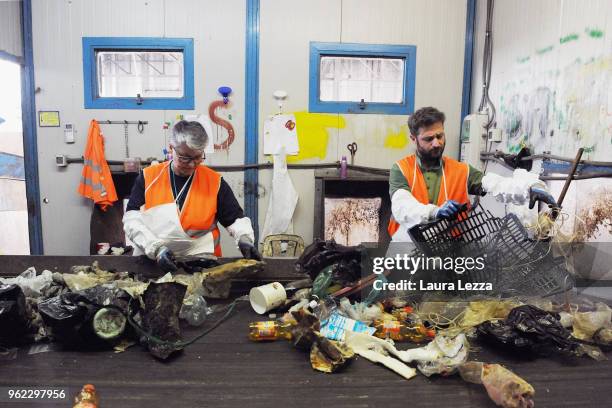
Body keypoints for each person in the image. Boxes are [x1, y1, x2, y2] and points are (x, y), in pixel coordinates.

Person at [387, 106, 556, 242]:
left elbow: (494, 183)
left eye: (440, 136)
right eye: (428, 139)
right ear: (413, 139)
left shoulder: (461, 170)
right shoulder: (401, 169)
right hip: (407, 249)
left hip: (448, 251)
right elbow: (402, 206)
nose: (437, 143)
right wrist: (435, 212)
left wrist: (529, 188)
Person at [123, 120, 261, 272]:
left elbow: (234, 219)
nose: (191, 164)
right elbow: (132, 220)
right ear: (171, 148)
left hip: (202, 267)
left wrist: (244, 238)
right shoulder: (148, 177)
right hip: (154, 263)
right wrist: (155, 249)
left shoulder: (214, 182)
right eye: (185, 158)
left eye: (197, 157)